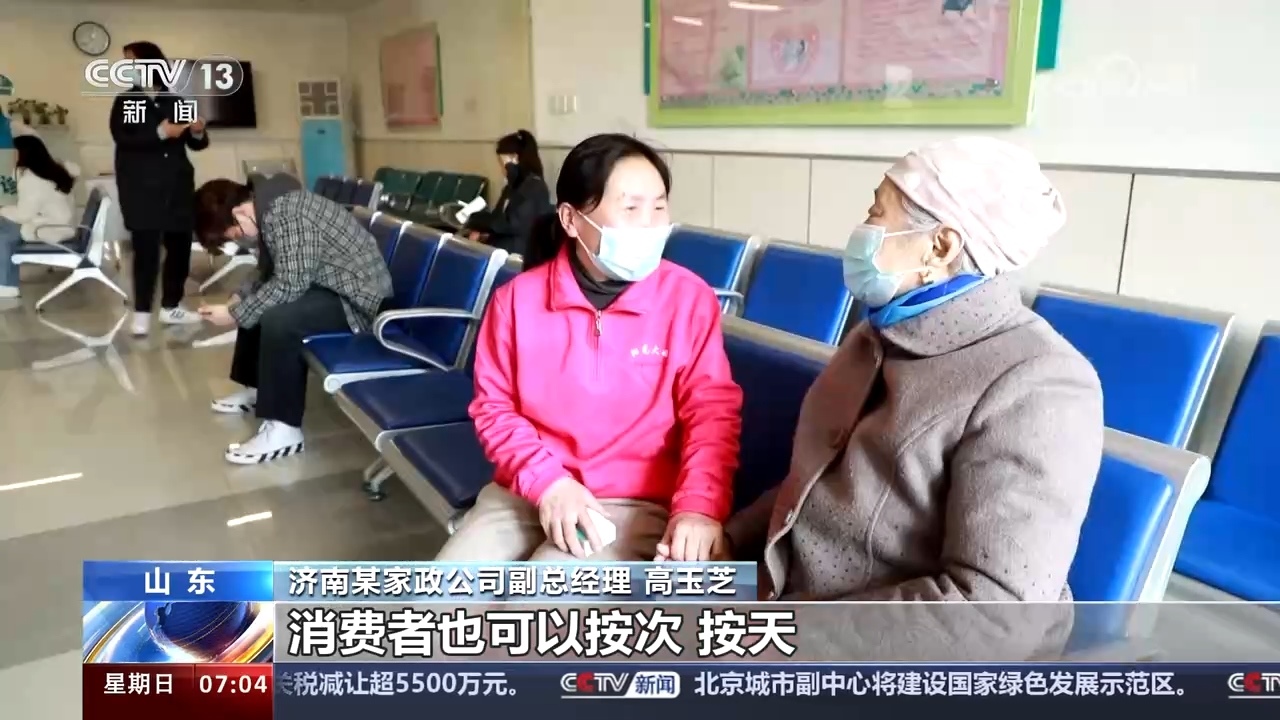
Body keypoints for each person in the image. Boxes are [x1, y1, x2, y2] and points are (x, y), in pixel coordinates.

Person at [720, 137, 1105, 660]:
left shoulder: (1040, 382)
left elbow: (991, 616)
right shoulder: (879, 333)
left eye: (877, 213)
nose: (863, 229)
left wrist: (769, 639)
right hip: (784, 602)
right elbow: (816, 485)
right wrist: (729, 541)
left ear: (940, 247)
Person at [435, 133, 744, 562]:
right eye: (631, 208)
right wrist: (549, 483)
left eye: (659, 207)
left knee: (541, 595)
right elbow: (495, 409)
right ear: (570, 219)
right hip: (527, 492)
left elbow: (711, 413)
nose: (650, 224)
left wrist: (699, 507)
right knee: (444, 591)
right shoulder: (516, 302)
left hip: (633, 503)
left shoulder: (687, 299)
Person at [193, 174, 393, 464]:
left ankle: (284, 428)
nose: (241, 240)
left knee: (279, 318)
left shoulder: (287, 212)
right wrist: (238, 299)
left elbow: (290, 283)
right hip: (327, 286)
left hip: (357, 300)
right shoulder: (272, 206)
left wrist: (235, 314)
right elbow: (268, 271)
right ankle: (258, 389)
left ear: (239, 213)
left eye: (234, 235)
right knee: (258, 302)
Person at [110, 40, 210, 336]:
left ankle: (171, 306)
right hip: (141, 189)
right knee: (146, 252)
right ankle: (141, 312)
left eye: (133, 61)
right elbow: (126, 139)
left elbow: (197, 144)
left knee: (180, 248)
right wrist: (160, 132)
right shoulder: (129, 101)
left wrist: (198, 131)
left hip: (177, 186)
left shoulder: (176, 100)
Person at [0, 132, 79, 297]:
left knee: (5, 233)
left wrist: (2, 210)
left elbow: (23, 214)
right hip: (59, 224)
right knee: (6, 228)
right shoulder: (50, 171)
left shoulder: (33, 180)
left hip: (49, 229)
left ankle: (6, 284)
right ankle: (6, 282)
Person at [462, 129, 552, 256]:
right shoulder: (513, 186)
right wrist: (481, 229)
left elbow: (512, 223)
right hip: (503, 246)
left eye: (502, 163)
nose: (502, 169)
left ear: (514, 159)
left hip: (517, 254)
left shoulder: (534, 187)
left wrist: (477, 221)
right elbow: (498, 217)